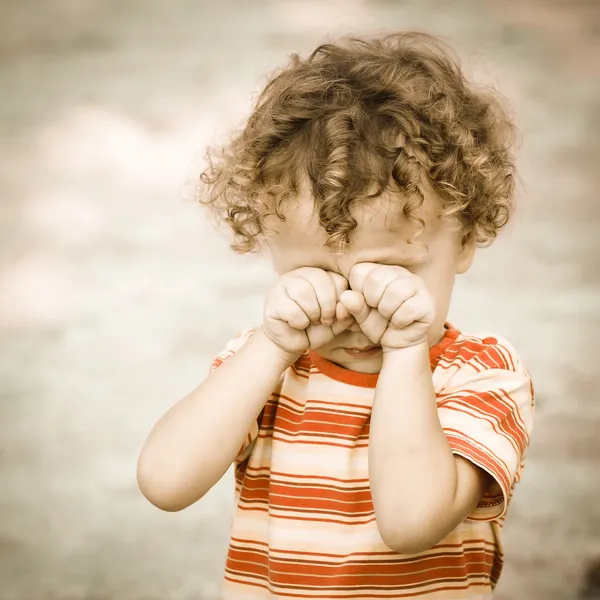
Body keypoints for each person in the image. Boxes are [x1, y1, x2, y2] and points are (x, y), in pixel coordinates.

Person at [137, 31, 535, 599]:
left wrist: (404, 354)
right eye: (321, 274)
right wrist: (272, 349)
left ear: (466, 240)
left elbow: (410, 521)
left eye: (393, 273)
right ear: (273, 250)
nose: (352, 306)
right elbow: (164, 483)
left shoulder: (480, 376)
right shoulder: (267, 366)